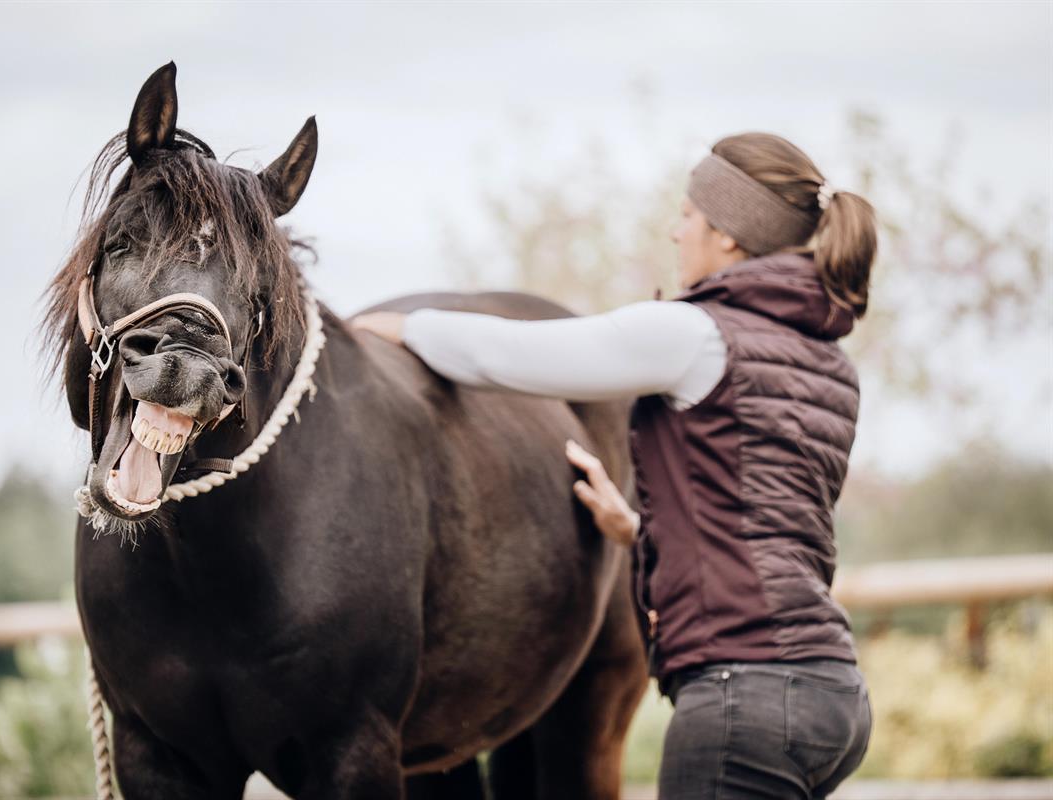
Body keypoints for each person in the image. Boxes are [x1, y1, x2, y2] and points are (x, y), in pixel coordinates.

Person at [351, 132, 874, 799]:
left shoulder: (695, 334)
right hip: (832, 695)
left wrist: (401, 329)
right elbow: (766, 522)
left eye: (688, 216)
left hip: (746, 696)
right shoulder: (830, 361)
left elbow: (518, 356)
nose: (674, 230)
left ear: (730, 238)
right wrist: (634, 528)